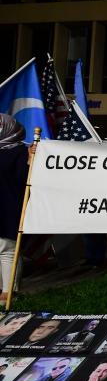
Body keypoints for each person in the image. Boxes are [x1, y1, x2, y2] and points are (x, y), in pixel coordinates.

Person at [0, 115, 34, 302]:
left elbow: (23, 179)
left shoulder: (21, 151)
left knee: (8, 248)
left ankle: (9, 291)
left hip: (9, 206)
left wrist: (30, 161)